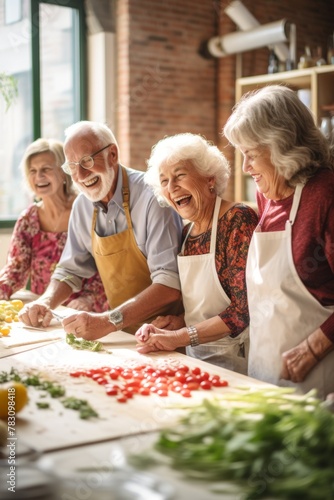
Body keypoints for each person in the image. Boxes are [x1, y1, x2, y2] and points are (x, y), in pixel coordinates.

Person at [19, 121, 183, 337]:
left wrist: (108, 320)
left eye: (86, 160)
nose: (80, 174)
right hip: (119, 331)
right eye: (72, 166)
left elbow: (169, 283)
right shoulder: (82, 205)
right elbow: (70, 270)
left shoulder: (152, 197)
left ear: (112, 155)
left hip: (165, 333)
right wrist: (46, 301)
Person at [223, 84, 334, 399]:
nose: (245, 168)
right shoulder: (266, 192)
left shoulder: (325, 195)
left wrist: (313, 348)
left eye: (251, 155)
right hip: (266, 369)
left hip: (318, 379)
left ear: (281, 146)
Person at [135, 133, 258, 373]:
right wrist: (178, 321)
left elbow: (243, 311)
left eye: (180, 175)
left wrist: (181, 336)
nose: (172, 187)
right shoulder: (186, 233)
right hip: (196, 361)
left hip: (238, 361)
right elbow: (202, 309)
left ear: (209, 179)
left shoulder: (237, 220)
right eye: (164, 181)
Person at [0, 138, 107, 312]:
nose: (39, 176)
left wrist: (89, 299)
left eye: (46, 169)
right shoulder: (28, 219)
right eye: (32, 171)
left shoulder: (87, 209)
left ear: (64, 171)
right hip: (44, 308)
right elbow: (16, 268)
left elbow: (107, 265)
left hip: (88, 308)